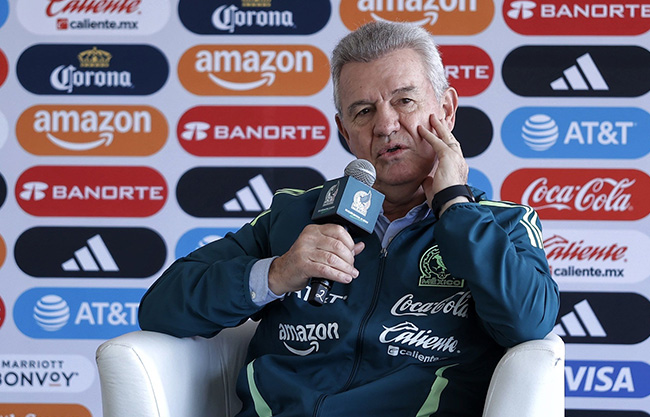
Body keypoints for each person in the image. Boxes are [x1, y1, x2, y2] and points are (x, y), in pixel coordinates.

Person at [139, 21, 560, 416]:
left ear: (446, 110)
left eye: (405, 101)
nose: (386, 125)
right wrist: (278, 273)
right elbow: (160, 307)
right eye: (363, 111)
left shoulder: (502, 224)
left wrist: (455, 207)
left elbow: (527, 324)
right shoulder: (296, 215)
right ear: (344, 131)